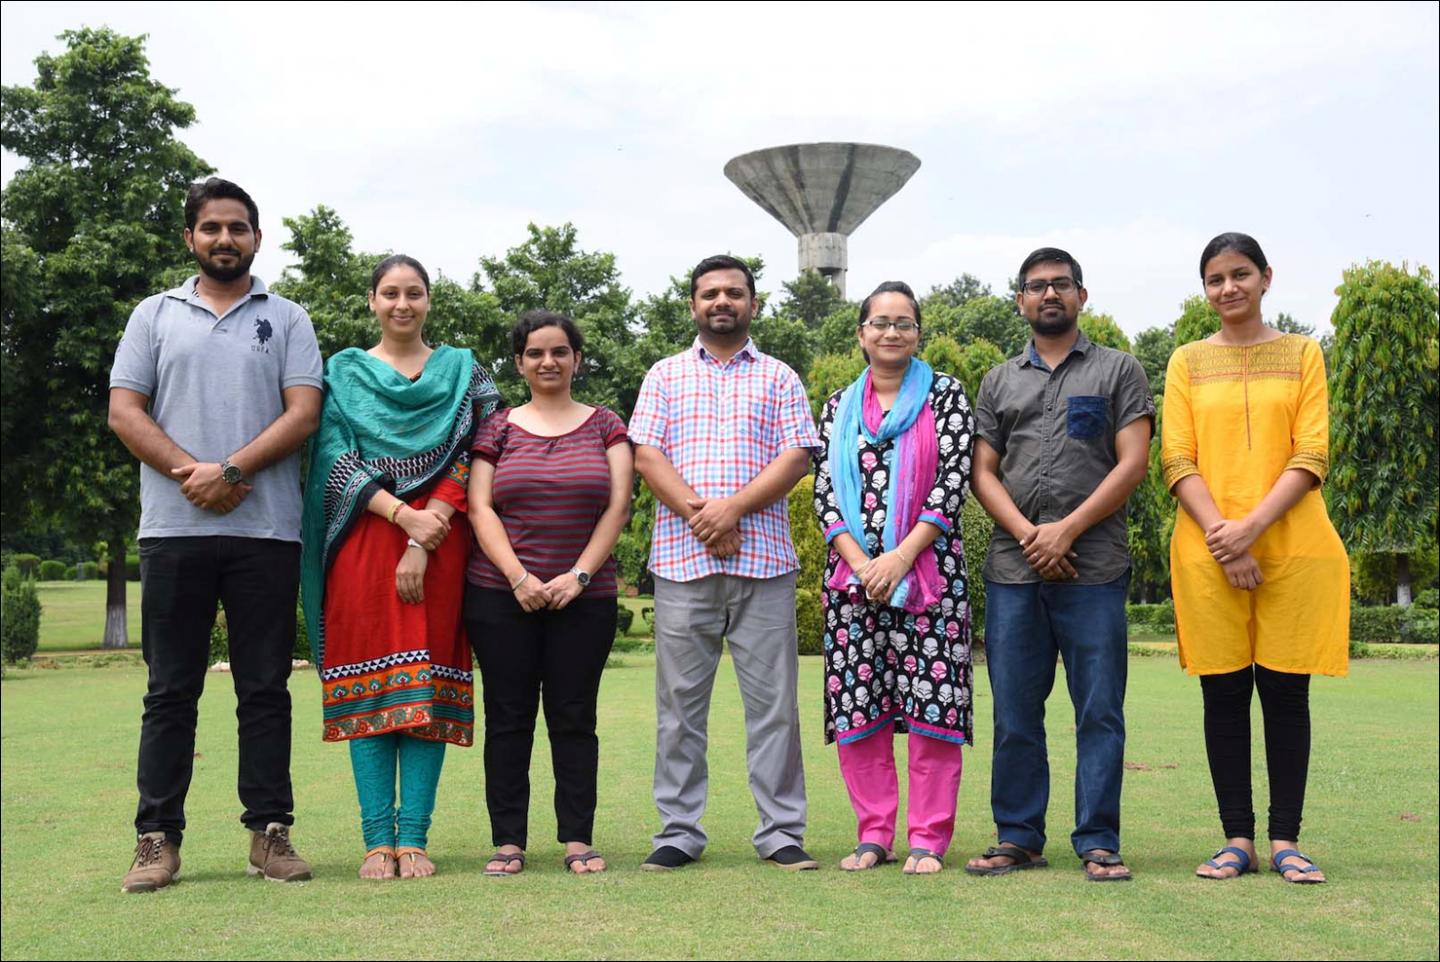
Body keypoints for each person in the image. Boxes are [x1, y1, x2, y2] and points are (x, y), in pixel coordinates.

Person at [109, 177, 323, 892]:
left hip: (267, 533)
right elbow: (124, 412)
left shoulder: (288, 317)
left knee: (264, 689)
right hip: (173, 529)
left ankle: (270, 834)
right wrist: (190, 474)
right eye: (211, 228)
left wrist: (230, 469)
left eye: (238, 227)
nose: (224, 239)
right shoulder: (153, 315)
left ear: (256, 238)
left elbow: (303, 413)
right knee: (171, 690)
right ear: (190, 238)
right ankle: (156, 838)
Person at [300, 254, 499, 879]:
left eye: (414, 293)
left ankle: (413, 837)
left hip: (443, 542)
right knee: (371, 685)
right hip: (363, 542)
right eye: (390, 293)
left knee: (427, 689)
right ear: (372, 301)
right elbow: (332, 457)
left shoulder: (464, 371)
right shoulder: (343, 372)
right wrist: (400, 516)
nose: (402, 304)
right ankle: (374, 842)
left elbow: (484, 449)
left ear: (430, 300)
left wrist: (427, 528)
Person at [964, 248, 1153, 882]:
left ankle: (1098, 840)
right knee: (1015, 710)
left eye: (1061, 285)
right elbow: (981, 473)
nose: (1049, 294)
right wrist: (1028, 534)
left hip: (1094, 568)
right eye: (1036, 286)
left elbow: (1132, 462)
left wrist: (1067, 529)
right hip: (1014, 572)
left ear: (1082, 294)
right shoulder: (998, 381)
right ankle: (1018, 836)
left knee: (1099, 709)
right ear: (1019, 300)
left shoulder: (1118, 370)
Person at [1163, 233, 1347, 884]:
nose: (1228, 288)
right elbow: (1177, 459)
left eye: (1240, 274)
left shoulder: (1304, 354)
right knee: (1224, 694)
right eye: (1215, 279)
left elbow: (1312, 453)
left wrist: (1253, 530)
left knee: (1286, 694)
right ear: (1205, 289)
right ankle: (1236, 839)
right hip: (1206, 548)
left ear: (1266, 277)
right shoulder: (1185, 361)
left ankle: (1286, 840)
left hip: (1294, 546)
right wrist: (1224, 535)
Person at [629, 254, 822, 872]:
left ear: (752, 304)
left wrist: (731, 510)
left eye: (733, 293)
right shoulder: (663, 375)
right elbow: (646, 454)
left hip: (764, 563)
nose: (721, 302)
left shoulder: (780, 376)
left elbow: (797, 457)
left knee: (774, 708)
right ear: (693, 305)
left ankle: (781, 831)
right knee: (679, 709)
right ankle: (679, 830)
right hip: (682, 563)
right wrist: (700, 515)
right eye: (709, 293)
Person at [812, 282, 976, 875]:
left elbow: (952, 482)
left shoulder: (947, 397)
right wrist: (862, 564)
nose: (891, 332)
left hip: (929, 576)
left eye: (903, 322)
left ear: (917, 334)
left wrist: (900, 558)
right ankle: (873, 833)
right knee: (860, 707)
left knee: (931, 704)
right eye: (879, 322)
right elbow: (825, 495)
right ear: (861, 334)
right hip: (853, 585)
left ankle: (928, 838)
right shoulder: (836, 408)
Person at [463, 310, 633, 877]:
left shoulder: (606, 424)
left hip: (584, 598)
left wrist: (578, 576)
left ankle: (577, 839)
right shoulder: (498, 427)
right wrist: (519, 577)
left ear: (577, 359)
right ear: (519, 363)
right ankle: (508, 840)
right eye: (535, 353)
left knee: (573, 716)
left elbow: (618, 506)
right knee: (507, 717)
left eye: (560, 351)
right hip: (499, 594)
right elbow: (479, 506)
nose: (548, 362)